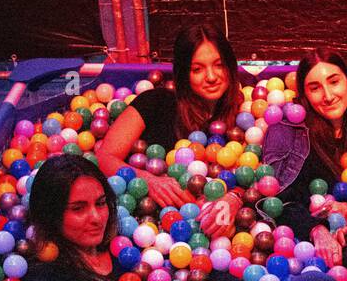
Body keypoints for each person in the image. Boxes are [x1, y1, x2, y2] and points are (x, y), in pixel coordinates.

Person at [21, 155, 341, 281]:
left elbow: (186, 270)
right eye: (78, 208)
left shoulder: (125, 246)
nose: (96, 217)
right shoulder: (46, 279)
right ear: (51, 214)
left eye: (101, 203)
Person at [97, 24, 245, 237]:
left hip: (211, 237)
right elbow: (104, 158)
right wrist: (149, 181)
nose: (211, 76)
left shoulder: (244, 115)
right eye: (197, 69)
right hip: (146, 230)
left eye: (219, 65)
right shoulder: (154, 102)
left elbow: (253, 176)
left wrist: (234, 198)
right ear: (184, 73)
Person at [262, 48, 347, 276]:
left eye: (334, 82)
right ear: (304, 95)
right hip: (301, 251)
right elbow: (277, 203)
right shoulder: (288, 131)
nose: (328, 95)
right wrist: (318, 231)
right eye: (315, 88)